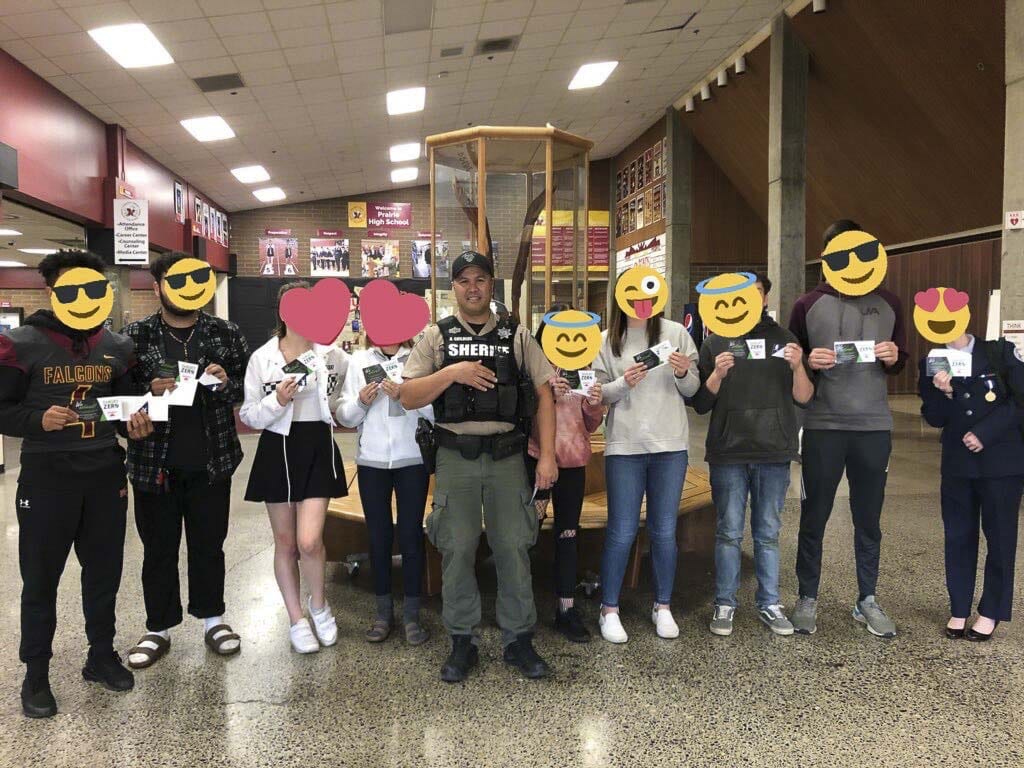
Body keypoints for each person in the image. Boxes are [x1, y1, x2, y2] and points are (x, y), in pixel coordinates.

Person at [1, 250, 154, 719]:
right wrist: (35, 418)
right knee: (41, 580)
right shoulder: (19, 344)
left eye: (94, 288)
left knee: (104, 573)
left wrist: (138, 422)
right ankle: (36, 672)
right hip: (47, 478)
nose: (84, 298)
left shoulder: (118, 346)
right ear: (52, 291)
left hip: (105, 476)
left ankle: (100, 655)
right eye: (73, 289)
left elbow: (126, 407)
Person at [401, 251, 558, 682]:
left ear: (492, 285)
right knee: (457, 547)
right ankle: (462, 639)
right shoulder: (436, 336)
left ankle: (518, 639)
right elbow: (409, 395)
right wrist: (452, 373)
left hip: (508, 458)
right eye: (464, 280)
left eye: (481, 280)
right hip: (455, 457)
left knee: (513, 546)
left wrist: (547, 456)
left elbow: (546, 395)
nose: (473, 288)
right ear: (454, 287)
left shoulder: (516, 334)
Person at [121, 252, 250, 670]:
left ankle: (213, 620)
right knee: (157, 549)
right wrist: (144, 400)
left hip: (212, 460)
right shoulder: (133, 338)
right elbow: (120, 407)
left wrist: (225, 383)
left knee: (208, 545)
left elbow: (246, 392)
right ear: (157, 286)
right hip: (152, 464)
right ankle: (158, 628)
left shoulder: (225, 333)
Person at [787, 219, 907, 638]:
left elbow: (901, 359)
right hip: (822, 425)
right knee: (814, 513)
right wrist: (808, 362)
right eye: (841, 252)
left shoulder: (890, 302)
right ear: (827, 257)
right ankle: (807, 597)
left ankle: (867, 599)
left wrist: (894, 355)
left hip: (874, 426)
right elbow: (793, 361)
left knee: (868, 517)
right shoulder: (807, 305)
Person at [692, 273, 814, 637]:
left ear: (763, 298)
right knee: (728, 532)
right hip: (728, 451)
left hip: (774, 451)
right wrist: (716, 373)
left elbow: (805, 397)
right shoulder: (714, 341)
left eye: (756, 293)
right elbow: (699, 402)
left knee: (768, 533)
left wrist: (798, 365)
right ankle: (725, 602)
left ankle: (770, 602)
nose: (748, 300)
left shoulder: (785, 340)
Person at [240, 281, 349, 653]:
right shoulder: (262, 358)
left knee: (309, 540)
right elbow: (250, 414)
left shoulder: (331, 355)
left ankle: (319, 605)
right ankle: (296, 617)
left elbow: (343, 401)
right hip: (277, 449)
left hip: (316, 446)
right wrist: (278, 400)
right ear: (282, 311)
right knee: (285, 543)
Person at [592, 270, 700, 644]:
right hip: (625, 447)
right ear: (619, 294)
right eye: (632, 290)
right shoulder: (606, 340)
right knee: (621, 532)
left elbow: (692, 388)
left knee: (664, 531)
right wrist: (625, 383)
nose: (640, 297)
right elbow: (598, 395)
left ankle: (663, 605)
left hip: (671, 446)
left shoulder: (676, 333)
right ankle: (609, 608)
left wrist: (685, 372)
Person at [919, 331, 1024, 641]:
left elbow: (1019, 401)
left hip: (1001, 462)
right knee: (958, 536)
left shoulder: (1000, 352)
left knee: (1001, 538)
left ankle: (991, 611)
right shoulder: (934, 360)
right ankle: (959, 607)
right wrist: (945, 393)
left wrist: (986, 432)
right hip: (957, 464)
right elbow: (934, 417)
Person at [336, 337, 433, 645]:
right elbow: (346, 417)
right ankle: (383, 612)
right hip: (372, 462)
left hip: (412, 459)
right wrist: (362, 401)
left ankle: (412, 615)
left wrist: (407, 395)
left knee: (411, 535)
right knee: (378, 537)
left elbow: (436, 411)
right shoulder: (360, 360)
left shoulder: (419, 359)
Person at [525, 305, 604, 643]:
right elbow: (521, 419)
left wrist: (594, 403)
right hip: (537, 461)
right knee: (527, 534)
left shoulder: (584, 370)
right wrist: (545, 398)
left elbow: (591, 424)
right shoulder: (534, 369)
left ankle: (566, 609)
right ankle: (521, 609)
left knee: (568, 535)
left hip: (573, 464)